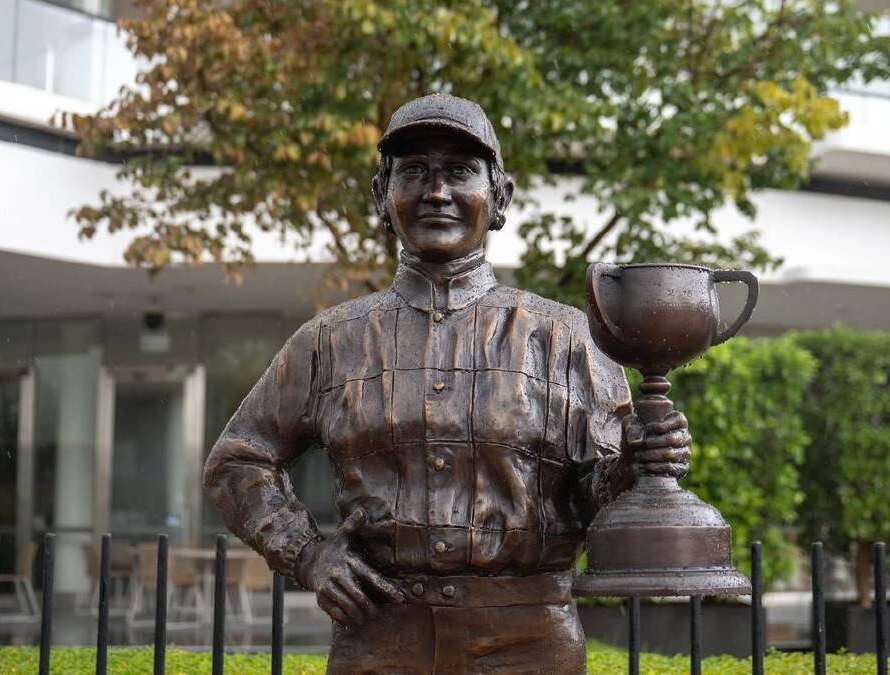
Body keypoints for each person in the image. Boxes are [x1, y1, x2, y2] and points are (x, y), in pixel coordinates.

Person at [204, 94, 690, 674]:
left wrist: (639, 463)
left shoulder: (567, 339)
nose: (437, 192)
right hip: (378, 637)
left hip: (529, 642)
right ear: (382, 196)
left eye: (460, 171)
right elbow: (238, 461)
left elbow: (599, 498)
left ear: (500, 197)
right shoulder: (329, 341)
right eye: (414, 172)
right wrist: (308, 554)